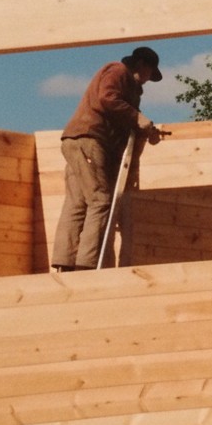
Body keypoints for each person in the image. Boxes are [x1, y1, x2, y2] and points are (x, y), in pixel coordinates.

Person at [51, 46, 165, 271]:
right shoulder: (118, 71)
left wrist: (144, 130)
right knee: (100, 200)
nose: (148, 80)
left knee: (77, 203)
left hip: (76, 141)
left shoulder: (128, 86)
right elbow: (108, 98)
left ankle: (65, 262)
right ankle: (88, 264)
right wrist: (138, 118)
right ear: (141, 64)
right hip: (90, 139)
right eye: (149, 73)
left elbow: (122, 120)